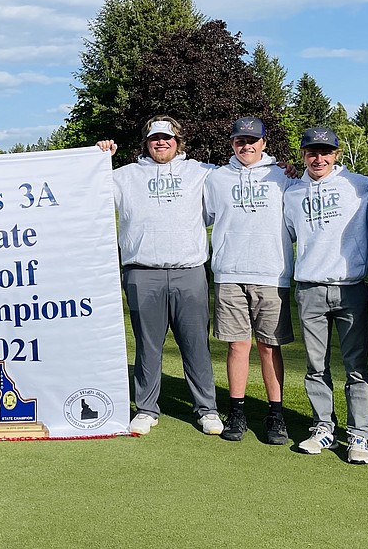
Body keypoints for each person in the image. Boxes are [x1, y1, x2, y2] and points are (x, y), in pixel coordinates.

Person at [97, 117, 223, 437]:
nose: (161, 143)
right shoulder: (123, 176)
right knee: (148, 346)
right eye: (155, 139)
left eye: (167, 138)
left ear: (178, 141)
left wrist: (287, 171)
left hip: (189, 272)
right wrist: (97, 159)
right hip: (142, 272)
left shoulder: (201, 172)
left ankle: (206, 409)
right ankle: (147, 408)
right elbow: (87, 191)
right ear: (146, 142)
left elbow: (241, 176)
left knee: (195, 345)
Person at [283, 126, 368, 464]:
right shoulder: (292, 193)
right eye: (311, 152)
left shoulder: (361, 186)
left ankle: (358, 435)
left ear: (336, 154)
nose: (318, 158)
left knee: (356, 366)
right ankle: (323, 428)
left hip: (350, 288)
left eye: (325, 151)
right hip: (309, 289)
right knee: (315, 365)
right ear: (304, 155)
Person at [204, 117, 296, 445]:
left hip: (272, 273)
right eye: (240, 141)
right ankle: (238, 411)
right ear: (232, 143)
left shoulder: (283, 176)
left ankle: (275, 414)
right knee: (237, 346)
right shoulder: (216, 178)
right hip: (229, 272)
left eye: (252, 141)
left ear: (264, 143)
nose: (246, 146)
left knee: (270, 347)